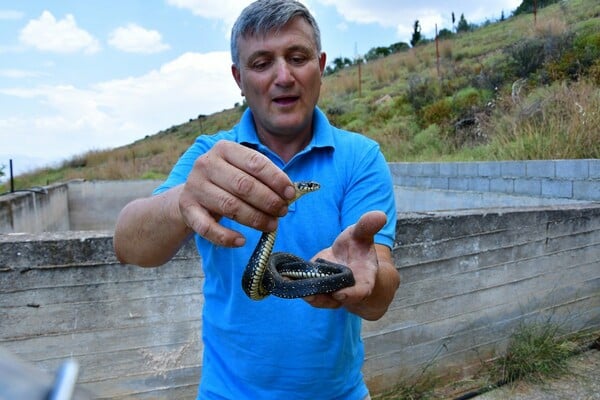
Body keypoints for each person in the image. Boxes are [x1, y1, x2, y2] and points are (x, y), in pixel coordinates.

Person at [113, 0, 400, 398]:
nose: (283, 76)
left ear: (320, 65)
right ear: (239, 77)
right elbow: (128, 245)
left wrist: (365, 281)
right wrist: (184, 199)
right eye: (262, 63)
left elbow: (377, 300)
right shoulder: (209, 156)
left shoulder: (361, 157)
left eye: (297, 57)